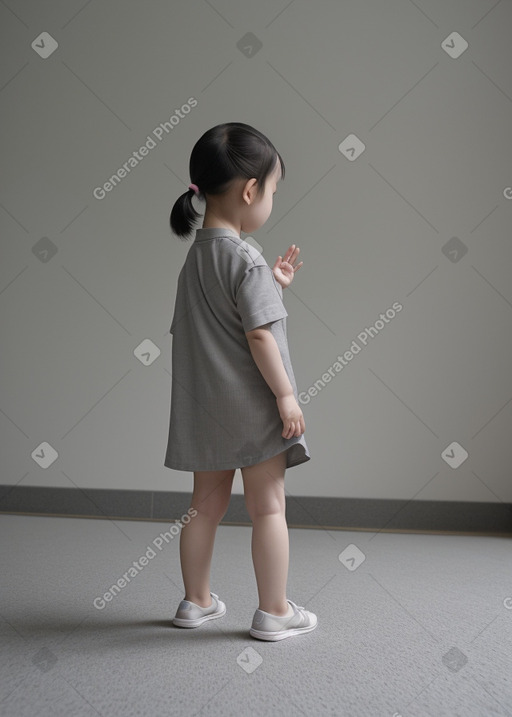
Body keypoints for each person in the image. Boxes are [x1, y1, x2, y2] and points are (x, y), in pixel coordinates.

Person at [165, 122, 317, 641]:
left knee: (202, 506)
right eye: (272, 190)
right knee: (267, 506)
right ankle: (274, 610)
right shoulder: (246, 258)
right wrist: (285, 395)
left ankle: (195, 601)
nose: (270, 199)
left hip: (204, 406)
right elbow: (256, 336)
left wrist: (271, 286)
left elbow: (217, 322)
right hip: (252, 409)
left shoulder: (197, 258)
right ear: (250, 190)